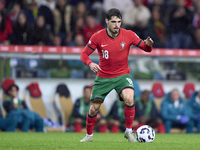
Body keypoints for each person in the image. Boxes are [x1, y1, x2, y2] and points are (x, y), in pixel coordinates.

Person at [80, 8, 153, 142]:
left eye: (119, 22)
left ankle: (128, 132)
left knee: (129, 98)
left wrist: (148, 45)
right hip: (103, 77)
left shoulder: (129, 34)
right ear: (107, 21)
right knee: (93, 109)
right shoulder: (97, 36)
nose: (116, 25)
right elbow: (84, 55)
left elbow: (146, 48)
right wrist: (90, 64)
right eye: (113, 22)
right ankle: (89, 135)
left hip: (122, 75)